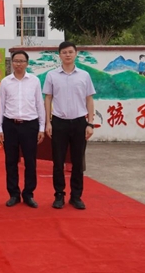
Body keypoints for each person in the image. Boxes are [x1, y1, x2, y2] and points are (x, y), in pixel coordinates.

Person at [43, 42, 96, 210]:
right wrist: (48, 122)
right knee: (58, 161)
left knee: (77, 161)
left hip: (80, 122)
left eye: (70, 52)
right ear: (59, 55)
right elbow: (48, 98)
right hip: (59, 122)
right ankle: (59, 194)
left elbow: (89, 99)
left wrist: (90, 123)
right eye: (64, 52)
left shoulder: (84, 75)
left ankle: (76, 196)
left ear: (76, 54)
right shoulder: (52, 75)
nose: (67, 55)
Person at [0, 50, 45, 208]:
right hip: (10, 125)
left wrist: (42, 127)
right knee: (10, 161)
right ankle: (14, 194)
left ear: (27, 63)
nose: (18, 64)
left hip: (30, 124)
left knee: (30, 161)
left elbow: (39, 103)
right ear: (12, 63)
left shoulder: (34, 81)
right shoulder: (6, 82)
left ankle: (28, 194)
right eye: (16, 61)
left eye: (22, 61)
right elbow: (1, 105)